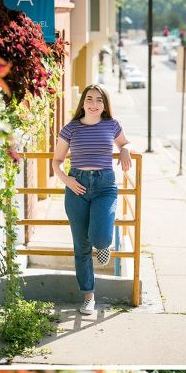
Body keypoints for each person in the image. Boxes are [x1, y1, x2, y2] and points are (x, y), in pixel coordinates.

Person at [52, 84, 132, 315]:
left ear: (105, 104)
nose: (94, 104)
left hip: (105, 186)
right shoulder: (71, 129)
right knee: (81, 246)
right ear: (83, 102)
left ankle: (103, 244)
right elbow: (56, 161)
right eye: (90, 99)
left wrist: (125, 149)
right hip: (77, 187)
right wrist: (66, 180)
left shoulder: (112, 125)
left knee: (100, 237)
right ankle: (88, 297)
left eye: (99, 100)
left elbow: (125, 143)